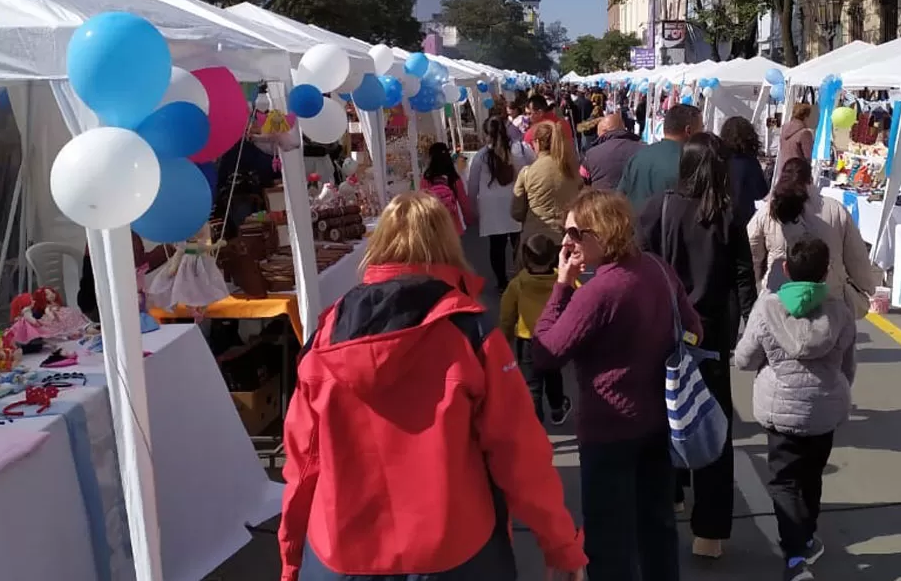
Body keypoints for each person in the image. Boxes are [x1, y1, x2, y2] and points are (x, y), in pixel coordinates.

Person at [279, 192, 587, 581]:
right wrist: (560, 546)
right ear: (447, 243)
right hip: (456, 550)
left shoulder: (325, 337)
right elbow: (519, 453)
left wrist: (290, 560)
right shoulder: (470, 333)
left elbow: (303, 465)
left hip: (343, 552)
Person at [533, 189, 701, 581]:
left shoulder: (598, 292)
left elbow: (545, 352)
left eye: (575, 233)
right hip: (660, 419)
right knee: (656, 526)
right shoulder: (658, 269)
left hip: (609, 428)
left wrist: (561, 284)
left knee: (609, 539)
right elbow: (695, 329)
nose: (566, 241)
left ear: (602, 234)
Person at [637, 131, 758, 559]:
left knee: (664, 417)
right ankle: (709, 532)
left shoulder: (657, 208)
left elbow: (637, 266)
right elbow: (745, 280)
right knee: (713, 429)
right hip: (710, 335)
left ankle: (670, 497)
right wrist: (750, 329)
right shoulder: (726, 216)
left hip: (661, 331)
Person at [735, 238, 857, 581]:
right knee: (811, 475)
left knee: (784, 481)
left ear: (785, 268)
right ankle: (806, 535)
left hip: (781, 410)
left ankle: (795, 556)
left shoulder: (767, 308)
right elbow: (849, 365)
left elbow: (744, 359)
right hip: (824, 409)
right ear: (825, 271)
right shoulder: (840, 311)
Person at [748, 157, 881, 313]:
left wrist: (756, 279)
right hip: (829, 299)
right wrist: (866, 287)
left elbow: (751, 252)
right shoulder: (835, 210)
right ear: (810, 179)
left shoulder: (768, 211)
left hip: (779, 299)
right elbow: (857, 257)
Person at [498, 234, 570, 425]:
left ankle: (535, 425)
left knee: (532, 386)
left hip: (527, 340)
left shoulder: (518, 284)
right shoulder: (562, 281)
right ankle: (557, 408)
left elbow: (507, 315)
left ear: (525, 257)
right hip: (555, 338)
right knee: (554, 376)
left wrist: (504, 341)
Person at [468, 117, 533, 290]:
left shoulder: (480, 156)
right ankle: (522, 277)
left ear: (486, 134)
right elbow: (534, 168)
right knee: (518, 243)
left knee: (496, 246)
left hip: (491, 207)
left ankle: (502, 283)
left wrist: (473, 209)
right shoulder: (520, 149)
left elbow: (472, 185)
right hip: (516, 200)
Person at [618, 102, 703, 211]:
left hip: (635, 223)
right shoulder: (691, 162)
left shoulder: (638, 156)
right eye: (701, 128)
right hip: (667, 226)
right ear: (689, 131)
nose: (702, 133)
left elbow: (620, 196)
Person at [513, 122, 583, 244]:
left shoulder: (528, 172)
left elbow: (516, 212)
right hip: (567, 237)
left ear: (538, 143)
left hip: (536, 238)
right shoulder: (572, 169)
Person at [720, 116, 770, 233]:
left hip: (720, 217)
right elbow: (761, 192)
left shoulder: (719, 159)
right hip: (743, 220)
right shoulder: (750, 162)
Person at [420, 142, 473, 235]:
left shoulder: (426, 179)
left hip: (434, 226)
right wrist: (468, 219)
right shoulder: (454, 178)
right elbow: (463, 201)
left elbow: (422, 203)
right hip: (453, 225)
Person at [581, 113, 643, 191]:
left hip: (603, 201)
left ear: (603, 132)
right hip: (636, 201)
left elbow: (580, 182)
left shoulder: (591, 155)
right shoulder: (644, 150)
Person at [776, 102, 816, 178]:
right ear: (806, 117)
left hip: (784, 172)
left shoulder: (784, 129)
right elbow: (807, 158)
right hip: (798, 175)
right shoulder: (805, 133)